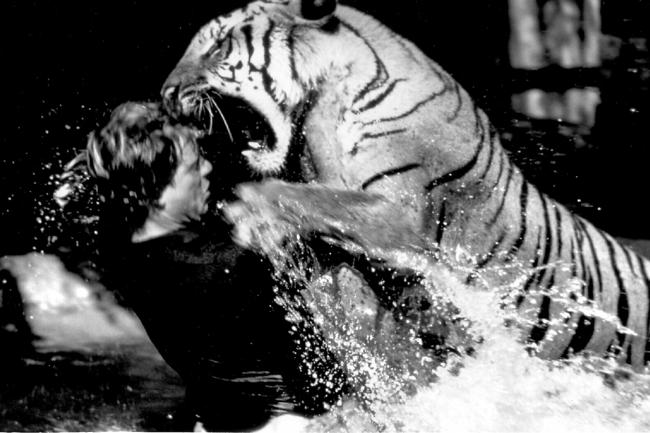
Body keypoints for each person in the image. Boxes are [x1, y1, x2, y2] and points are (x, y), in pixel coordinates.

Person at [80, 101, 346, 431]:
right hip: (296, 423)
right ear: (159, 191)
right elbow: (337, 246)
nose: (206, 168)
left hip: (212, 420)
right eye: (193, 166)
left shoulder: (118, 246)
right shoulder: (231, 261)